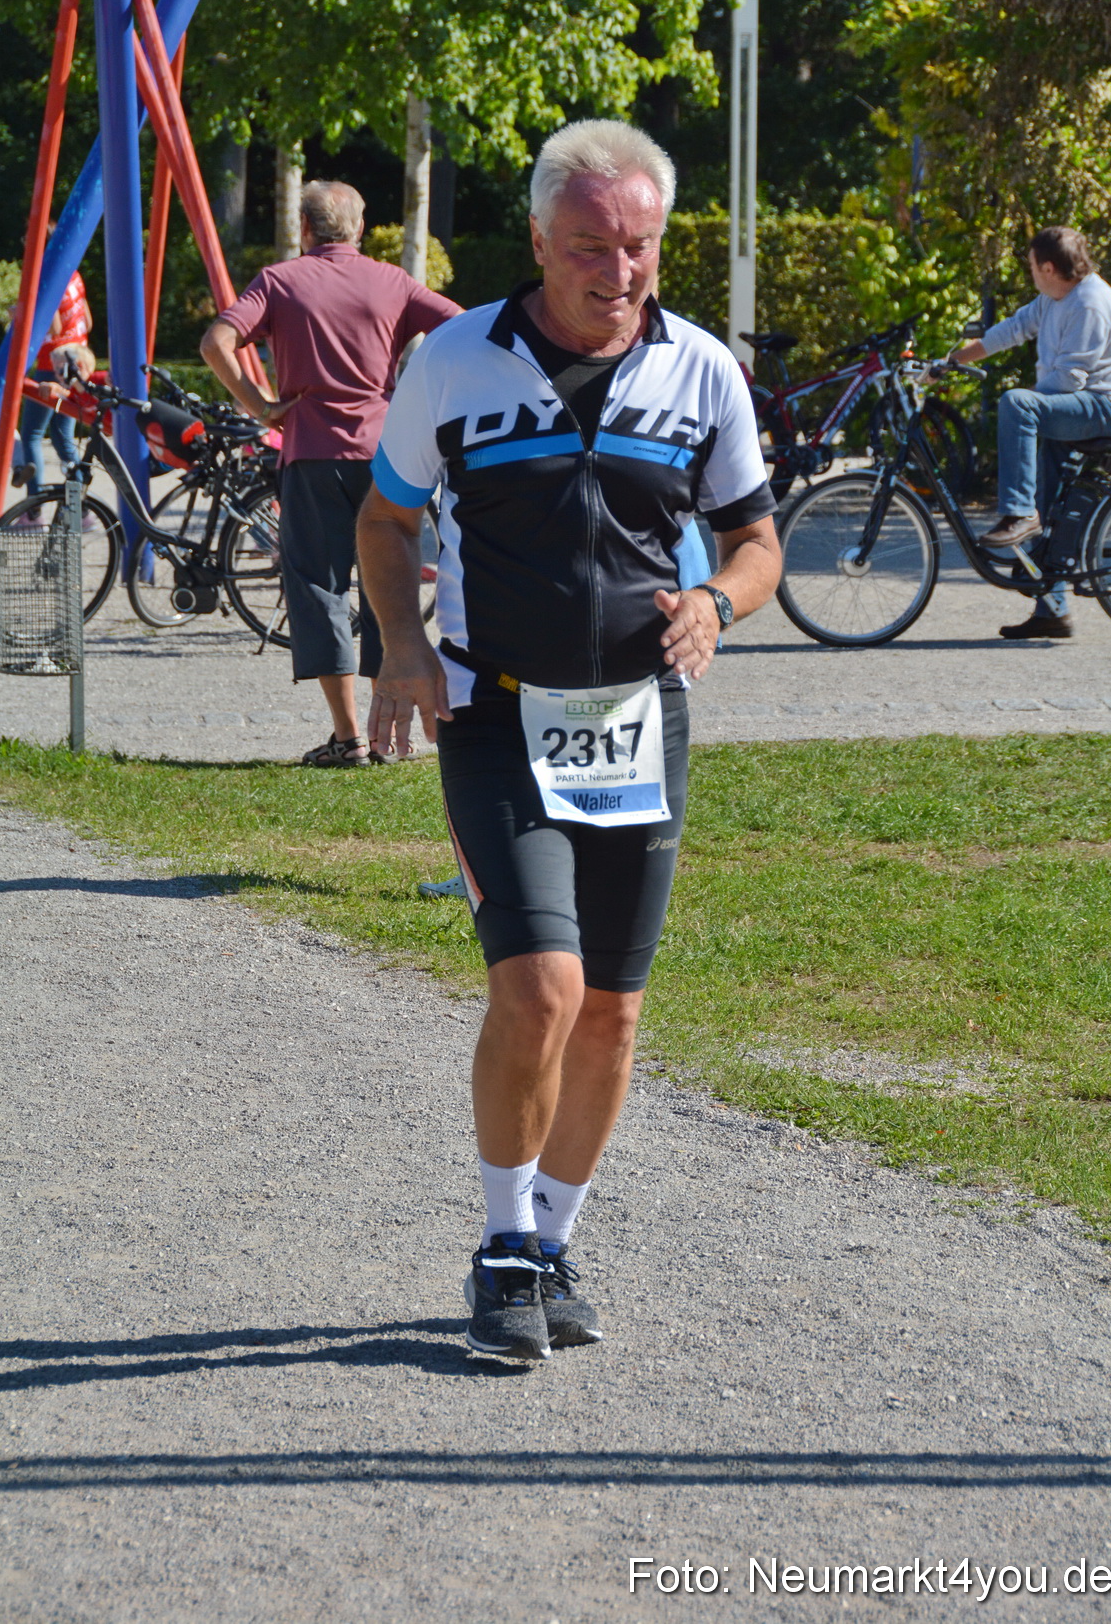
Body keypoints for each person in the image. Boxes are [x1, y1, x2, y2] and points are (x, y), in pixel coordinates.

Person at [357, 119, 781, 1360]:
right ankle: (498, 1249)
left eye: (641, 244)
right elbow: (385, 524)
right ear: (540, 238)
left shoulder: (701, 370)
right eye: (593, 244)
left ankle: (550, 1240)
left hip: (642, 721)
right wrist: (400, 642)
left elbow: (754, 539)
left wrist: (719, 602)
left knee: (612, 1011)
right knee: (538, 986)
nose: (622, 268)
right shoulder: (455, 362)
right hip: (495, 710)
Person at [200, 180, 461, 764]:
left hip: (311, 454)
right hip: (386, 456)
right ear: (360, 229)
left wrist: (262, 405)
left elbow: (216, 341)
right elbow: (462, 327)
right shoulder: (391, 281)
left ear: (304, 229)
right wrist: (420, 399)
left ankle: (346, 738)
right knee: (385, 583)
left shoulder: (280, 281)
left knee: (318, 586)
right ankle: (386, 735)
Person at [952, 226, 1111, 639]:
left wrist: (1027, 407)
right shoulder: (1055, 297)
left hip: (1107, 406)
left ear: (1048, 267)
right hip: (1078, 405)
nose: (1030, 271)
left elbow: (1069, 380)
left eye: (1032, 265)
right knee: (1051, 500)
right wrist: (951, 361)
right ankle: (1052, 609)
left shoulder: (1089, 303)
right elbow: (1010, 330)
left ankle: (1020, 515)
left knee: (1018, 403)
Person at [15, 230, 92, 496]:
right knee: (62, 436)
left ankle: (34, 512)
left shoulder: (46, 275)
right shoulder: (74, 275)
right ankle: (81, 505)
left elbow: (54, 326)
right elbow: (88, 322)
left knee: (32, 436)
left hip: (53, 363)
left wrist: (20, 313)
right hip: (79, 359)